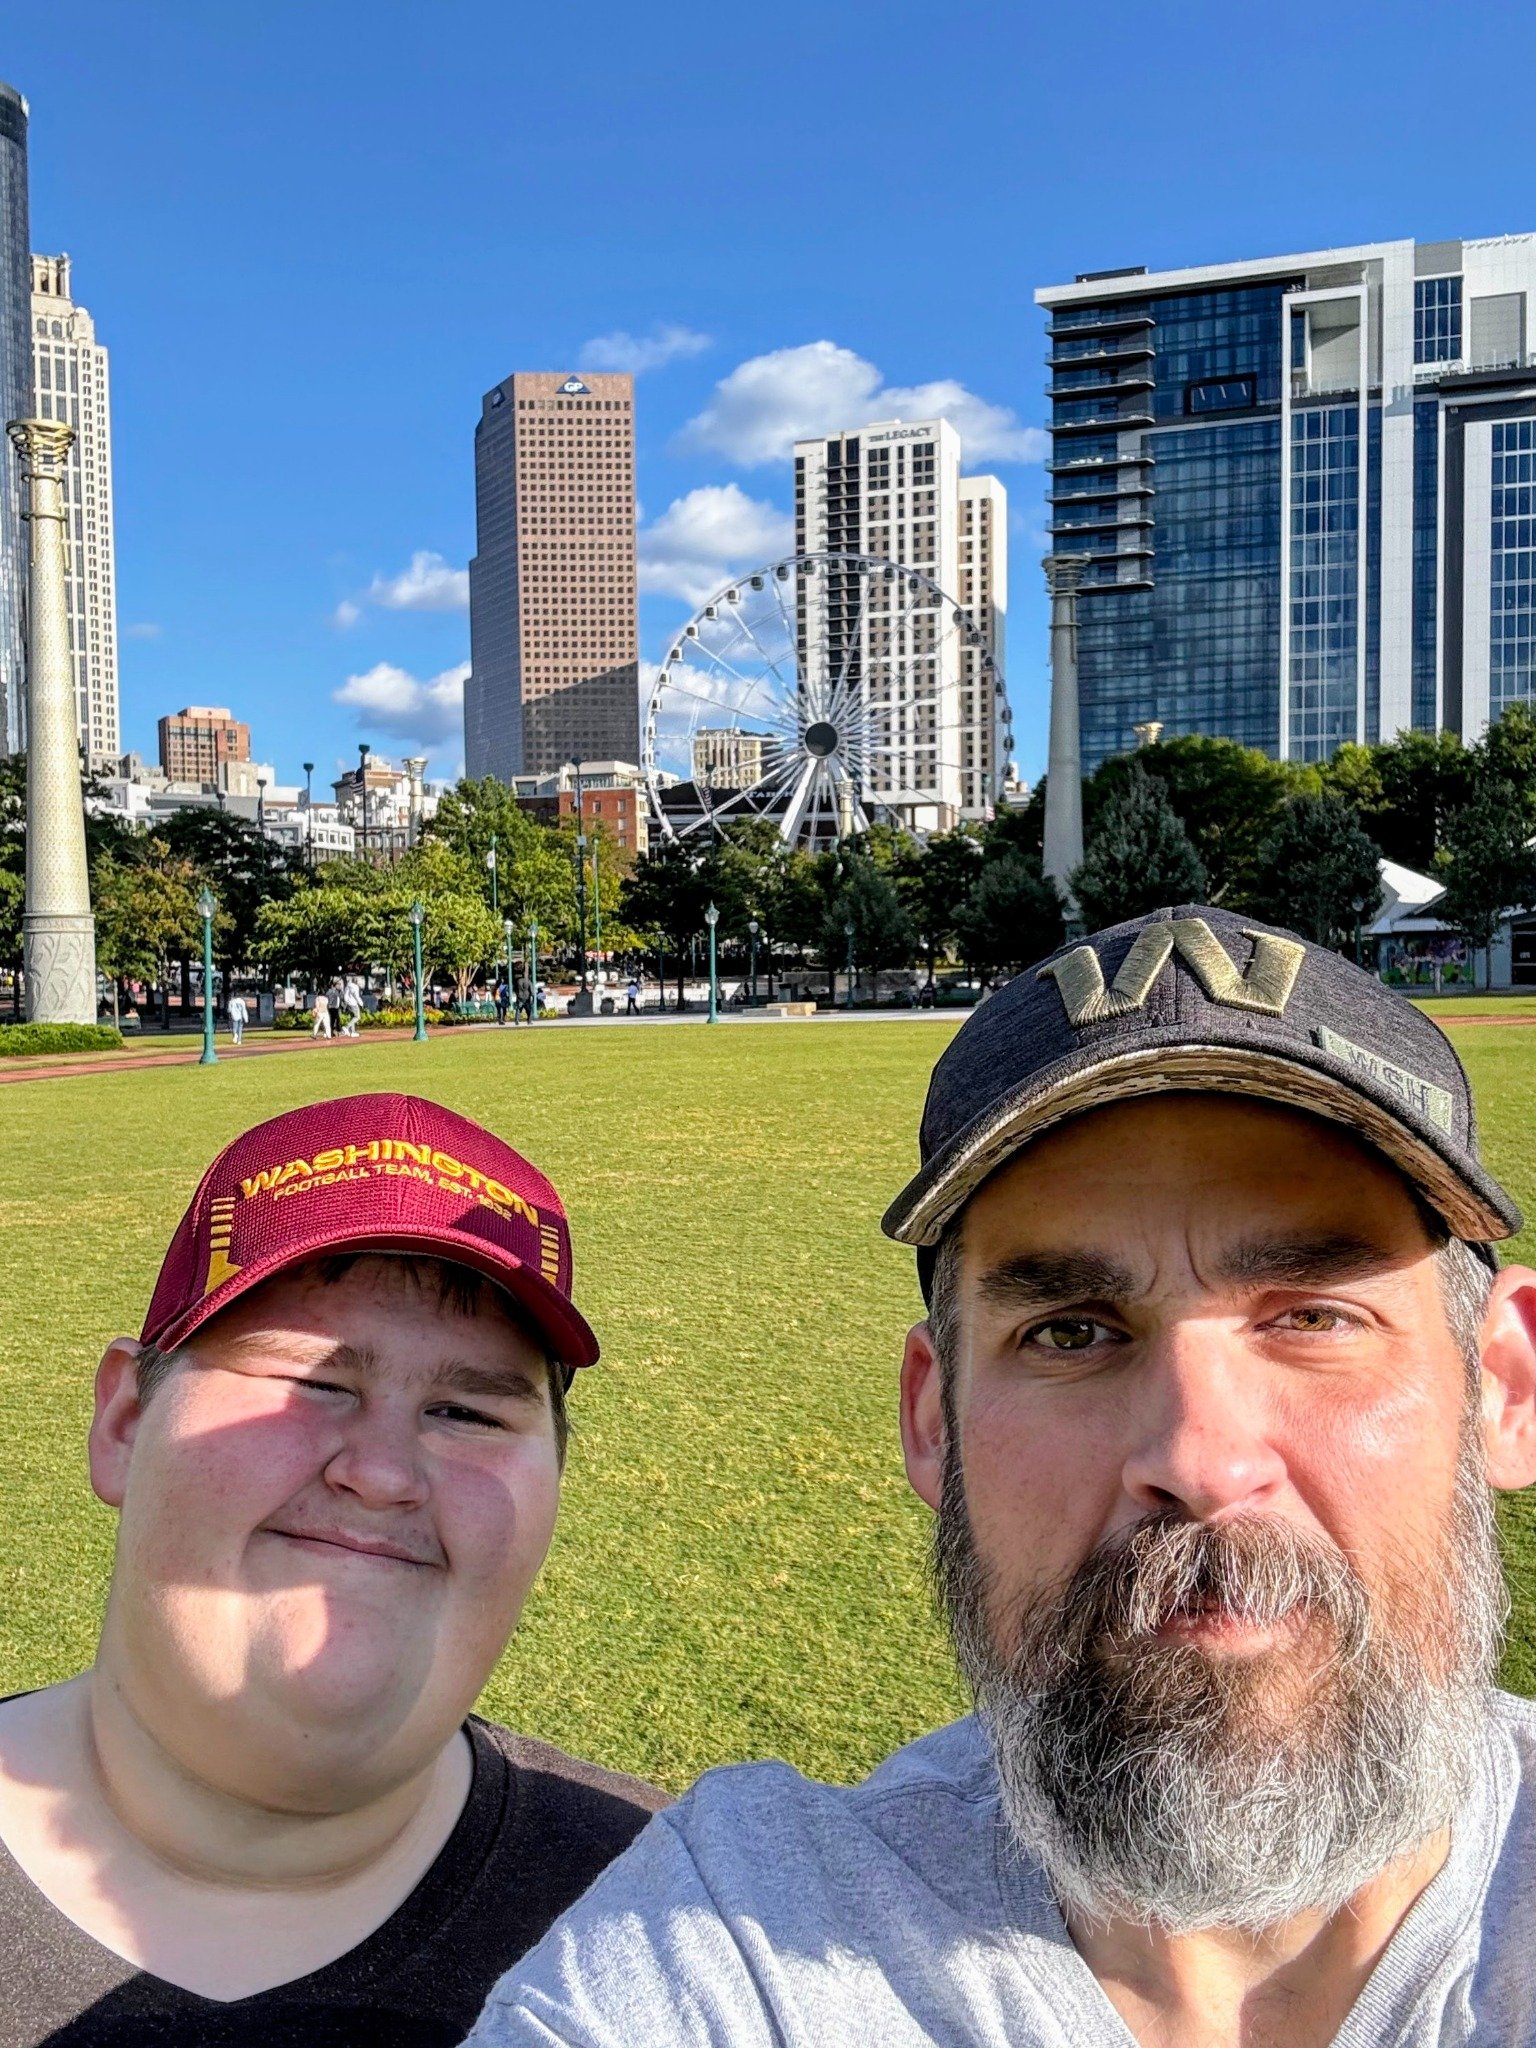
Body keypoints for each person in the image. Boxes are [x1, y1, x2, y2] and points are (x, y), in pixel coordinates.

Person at [468, 905, 1536, 2048]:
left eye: (1316, 1315)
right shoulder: (732, 1954)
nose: (1200, 1457)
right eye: (1071, 1331)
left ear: (1504, 1390)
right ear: (932, 1421)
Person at [0, 1092, 663, 2044]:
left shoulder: (669, 1926)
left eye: (469, 1413)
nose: (383, 1474)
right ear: (125, 1425)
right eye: (313, 1382)